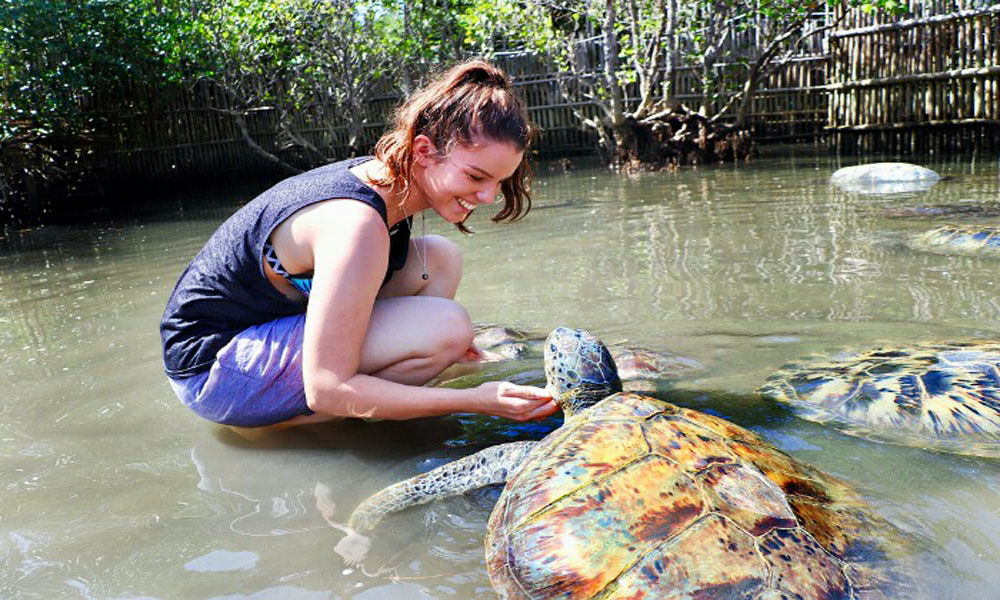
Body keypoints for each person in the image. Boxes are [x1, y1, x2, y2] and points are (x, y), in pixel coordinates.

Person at [159, 60, 557, 428]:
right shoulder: (356, 224)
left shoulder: (386, 179)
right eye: (475, 177)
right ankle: (303, 421)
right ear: (423, 151)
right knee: (448, 326)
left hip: (256, 334)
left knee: (439, 258)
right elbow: (325, 386)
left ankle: (383, 387)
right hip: (212, 373)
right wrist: (474, 400)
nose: (488, 197)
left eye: (499, 182)